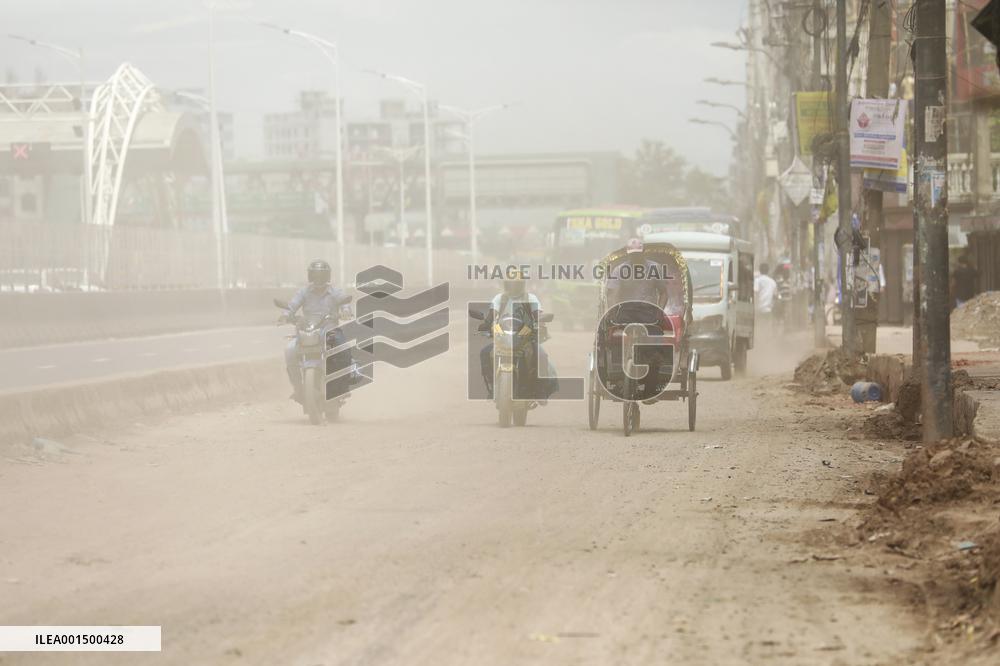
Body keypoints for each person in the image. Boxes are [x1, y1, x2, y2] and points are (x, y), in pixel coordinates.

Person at [479, 274, 557, 401]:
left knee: (542, 356)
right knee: (484, 353)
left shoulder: (531, 298)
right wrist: (486, 324)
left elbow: (537, 315)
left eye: (516, 284)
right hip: (504, 335)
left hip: (525, 336)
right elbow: (492, 315)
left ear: (522, 284)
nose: (513, 287)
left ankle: (540, 390)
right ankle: (493, 387)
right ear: (506, 284)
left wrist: (539, 322)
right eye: (511, 284)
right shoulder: (499, 298)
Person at [282, 259, 351, 403]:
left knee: (343, 348)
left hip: (329, 331)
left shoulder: (335, 291)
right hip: (308, 331)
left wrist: (345, 311)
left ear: (327, 277)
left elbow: (345, 303)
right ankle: (298, 388)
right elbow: (293, 304)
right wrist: (285, 315)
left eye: (321, 275)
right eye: (315, 275)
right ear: (310, 276)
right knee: (289, 350)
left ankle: (341, 387)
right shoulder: (304, 292)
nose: (318, 279)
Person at [754, 262, 778, 333]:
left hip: (759, 309)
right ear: (768, 271)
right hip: (768, 310)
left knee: (759, 329)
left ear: (760, 270)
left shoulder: (757, 280)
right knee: (767, 329)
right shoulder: (773, 282)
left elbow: (755, 293)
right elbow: (776, 295)